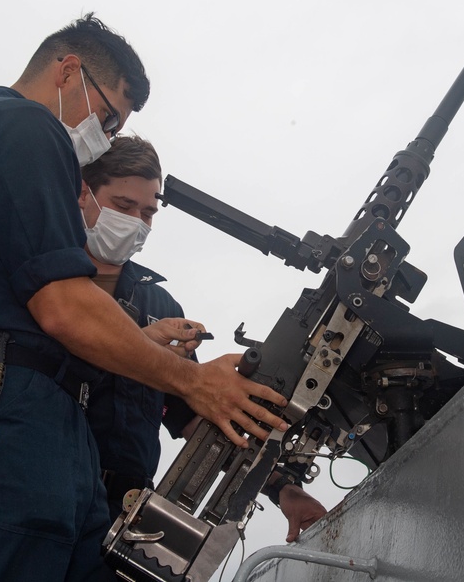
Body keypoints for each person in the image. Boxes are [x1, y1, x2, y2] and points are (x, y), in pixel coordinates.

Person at [0, 13, 289, 581]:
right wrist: (196, 380)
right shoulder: (20, 124)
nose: (106, 136)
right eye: (109, 117)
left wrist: (140, 344)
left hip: (38, 430)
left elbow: (35, 314)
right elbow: (64, 307)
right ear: (68, 72)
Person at [78, 134, 327, 543]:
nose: (137, 222)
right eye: (124, 207)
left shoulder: (159, 303)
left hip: (121, 514)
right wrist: (142, 343)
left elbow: (200, 415)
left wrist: (284, 489)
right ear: (83, 193)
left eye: (148, 212)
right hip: (41, 494)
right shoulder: (50, 284)